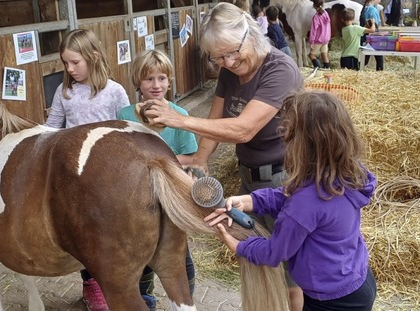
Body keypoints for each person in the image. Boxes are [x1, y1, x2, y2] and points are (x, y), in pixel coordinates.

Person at [140, 3, 304, 310]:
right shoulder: (230, 71)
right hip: (249, 176)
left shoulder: (280, 70)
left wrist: (180, 119)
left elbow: (244, 130)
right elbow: (216, 121)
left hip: (284, 179)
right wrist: (201, 158)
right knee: (252, 255)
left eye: (232, 52)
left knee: (291, 270)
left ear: (250, 34)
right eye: (218, 58)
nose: (227, 62)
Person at [203, 90, 378, 311]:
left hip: (331, 301)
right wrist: (250, 200)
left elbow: (275, 252)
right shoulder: (345, 174)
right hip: (358, 280)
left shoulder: (306, 203)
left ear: (303, 145)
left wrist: (239, 246)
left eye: (288, 135)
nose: (284, 139)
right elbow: (291, 194)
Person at [44, 28, 129, 311]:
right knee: (83, 233)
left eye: (74, 62)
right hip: (74, 177)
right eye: (65, 63)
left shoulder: (115, 92)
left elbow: (128, 131)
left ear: (93, 57)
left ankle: (116, 282)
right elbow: (52, 128)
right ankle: (91, 285)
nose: (69, 69)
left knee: (111, 231)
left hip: (109, 176)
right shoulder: (64, 91)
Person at [117, 49, 197, 311]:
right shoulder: (124, 115)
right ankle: (145, 300)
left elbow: (190, 156)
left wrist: (159, 165)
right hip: (135, 197)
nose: (156, 85)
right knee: (139, 251)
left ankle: (186, 297)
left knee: (178, 250)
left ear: (170, 82)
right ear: (138, 82)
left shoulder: (179, 114)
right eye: (149, 79)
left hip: (171, 195)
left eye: (162, 78)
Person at [360, 0, 384, 71]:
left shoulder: (365, 9)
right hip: (373, 38)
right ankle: (380, 73)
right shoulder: (373, 10)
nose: (380, 0)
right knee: (379, 59)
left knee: (365, 59)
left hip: (365, 37)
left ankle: (357, 69)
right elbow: (375, 27)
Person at [308, 0, 331, 70]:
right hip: (326, 38)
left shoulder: (316, 17)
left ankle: (318, 68)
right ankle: (327, 68)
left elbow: (313, 30)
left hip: (319, 39)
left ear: (314, 6)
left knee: (311, 55)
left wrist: (311, 41)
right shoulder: (326, 13)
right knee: (324, 53)